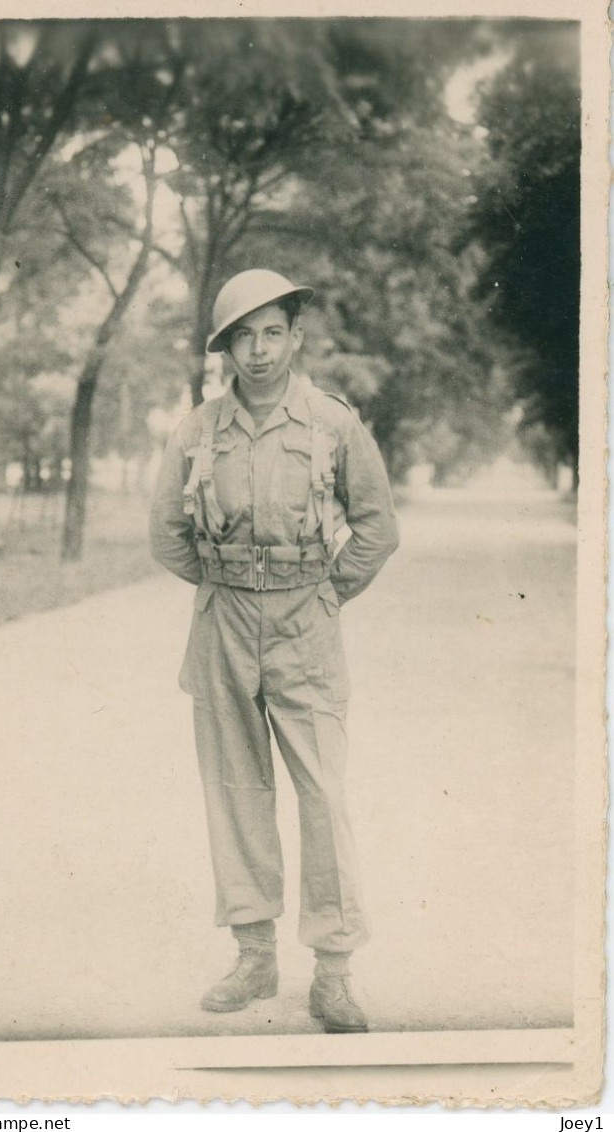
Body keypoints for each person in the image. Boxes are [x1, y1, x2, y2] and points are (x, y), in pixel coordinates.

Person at [149, 269, 399, 1033]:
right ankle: (254, 958)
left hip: (305, 627)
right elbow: (166, 534)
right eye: (240, 339)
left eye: (270, 333)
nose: (256, 352)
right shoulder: (196, 430)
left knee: (323, 797)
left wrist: (321, 594)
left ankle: (332, 972)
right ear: (223, 350)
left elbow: (375, 528)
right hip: (223, 624)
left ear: (294, 337)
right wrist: (228, 582)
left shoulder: (332, 423)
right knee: (236, 794)